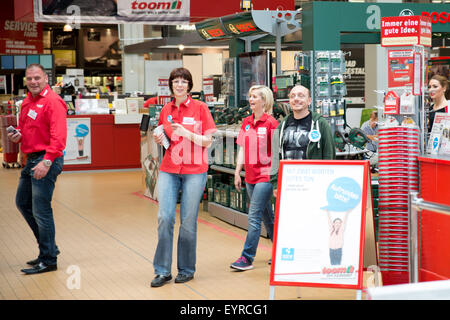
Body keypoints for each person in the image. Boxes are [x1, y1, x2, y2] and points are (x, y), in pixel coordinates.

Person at [151, 68, 216, 287]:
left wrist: (186, 133)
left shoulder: (201, 108)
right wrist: (160, 138)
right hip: (170, 168)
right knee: (165, 218)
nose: (180, 85)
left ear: (189, 85)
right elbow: (165, 136)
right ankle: (162, 270)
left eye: (184, 81)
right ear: (170, 85)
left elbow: (208, 141)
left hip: (195, 171)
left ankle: (186, 269)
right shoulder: (166, 110)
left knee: (188, 222)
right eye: (176, 81)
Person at [7, 63, 67, 274]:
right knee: (23, 203)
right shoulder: (26, 103)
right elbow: (25, 129)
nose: (33, 82)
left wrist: (47, 161)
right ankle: (49, 248)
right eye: (30, 78)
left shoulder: (53, 101)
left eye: (37, 78)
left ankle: (49, 259)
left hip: (46, 159)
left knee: (41, 210)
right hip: (31, 159)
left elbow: (59, 138)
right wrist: (18, 135)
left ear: (46, 79)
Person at [230, 85, 279, 271]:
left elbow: (276, 153)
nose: (251, 99)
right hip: (249, 175)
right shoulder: (246, 122)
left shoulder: (272, 123)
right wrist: (237, 171)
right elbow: (242, 148)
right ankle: (280, 251)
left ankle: (247, 257)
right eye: (250, 96)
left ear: (264, 101)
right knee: (267, 216)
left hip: (265, 176)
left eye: (255, 96)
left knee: (254, 215)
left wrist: (274, 178)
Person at [270, 85, 336, 196]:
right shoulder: (282, 126)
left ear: (309, 100)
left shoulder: (320, 124)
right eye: (292, 96)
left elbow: (329, 155)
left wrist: (326, 182)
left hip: (314, 184)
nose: (296, 99)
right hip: (288, 184)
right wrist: (275, 183)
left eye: (301, 96)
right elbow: (275, 156)